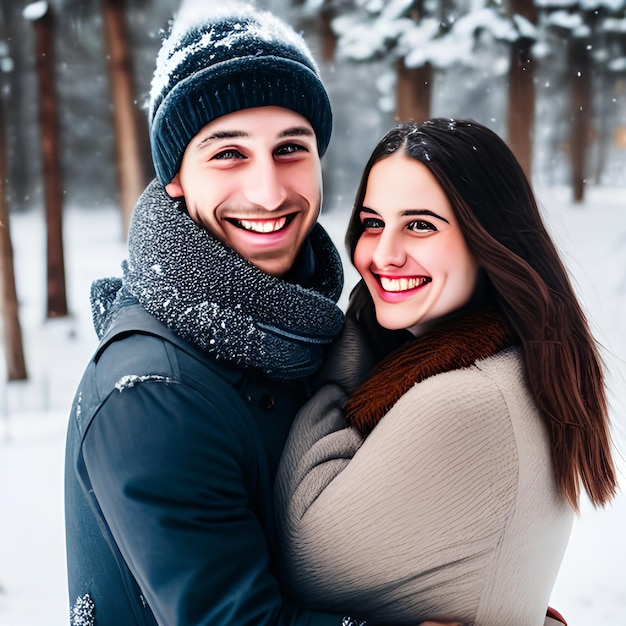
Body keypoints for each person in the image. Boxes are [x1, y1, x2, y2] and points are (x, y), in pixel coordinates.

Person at [63, 4, 356, 625]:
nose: (269, 191)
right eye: (228, 154)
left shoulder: (304, 331)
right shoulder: (152, 391)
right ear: (175, 177)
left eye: (290, 149)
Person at [276, 119, 618, 626]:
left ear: (487, 240)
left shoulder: (467, 399)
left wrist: (343, 359)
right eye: (373, 223)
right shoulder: (523, 363)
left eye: (420, 225)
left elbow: (301, 553)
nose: (383, 255)